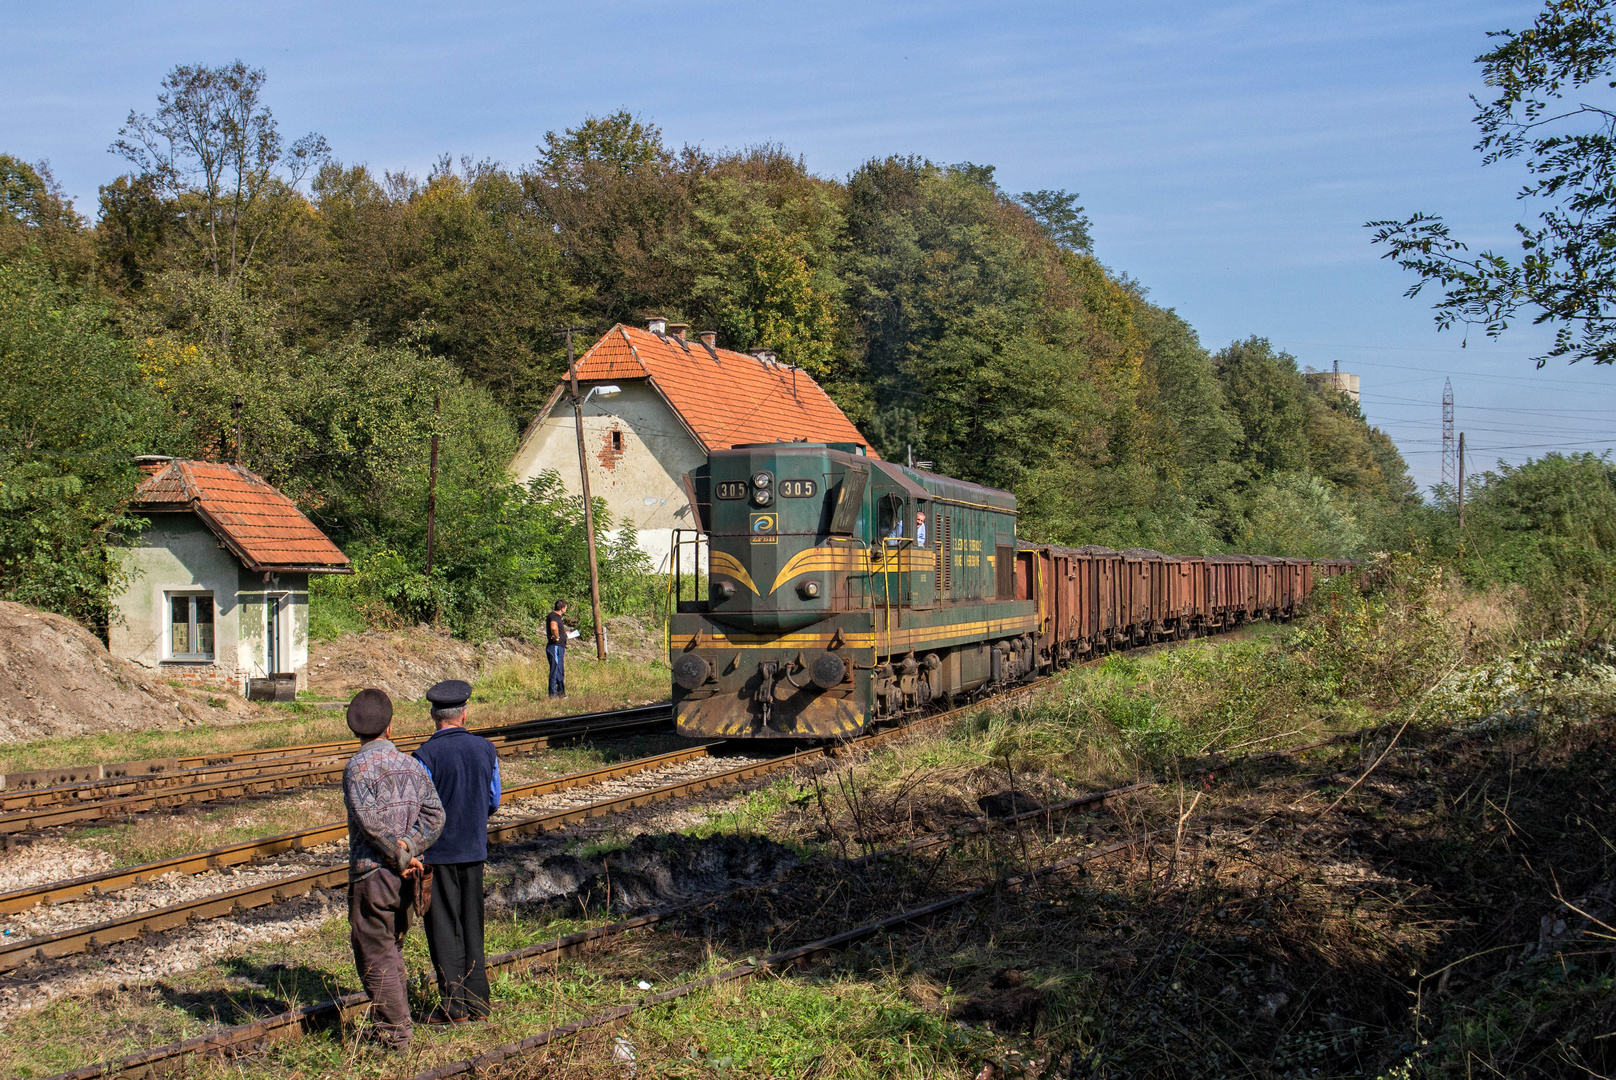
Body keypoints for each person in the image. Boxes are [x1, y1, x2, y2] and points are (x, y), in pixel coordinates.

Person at [342, 688, 444, 1053]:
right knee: (391, 948)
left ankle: (394, 1035)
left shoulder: (357, 768)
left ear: (355, 730)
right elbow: (436, 816)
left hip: (373, 875)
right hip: (406, 879)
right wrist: (411, 847)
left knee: (375, 951)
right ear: (390, 727)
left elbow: (369, 824)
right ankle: (395, 1022)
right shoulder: (413, 765)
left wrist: (398, 854)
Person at [414, 680, 500, 1025]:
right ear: (464, 714)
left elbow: (420, 809)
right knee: (472, 924)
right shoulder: (485, 749)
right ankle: (479, 1001)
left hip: (438, 855)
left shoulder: (425, 756)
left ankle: (454, 1007)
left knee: (443, 929)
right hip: (474, 850)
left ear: (435, 717)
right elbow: (493, 799)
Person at [545, 600, 569, 699]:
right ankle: (553, 694)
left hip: (559, 647)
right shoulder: (554, 616)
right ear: (562, 608)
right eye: (566, 607)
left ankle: (561, 692)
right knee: (555, 670)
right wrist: (557, 637)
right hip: (555, 646)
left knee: (559, 670)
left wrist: (564, 634)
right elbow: (554, 627)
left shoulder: (556, 617)